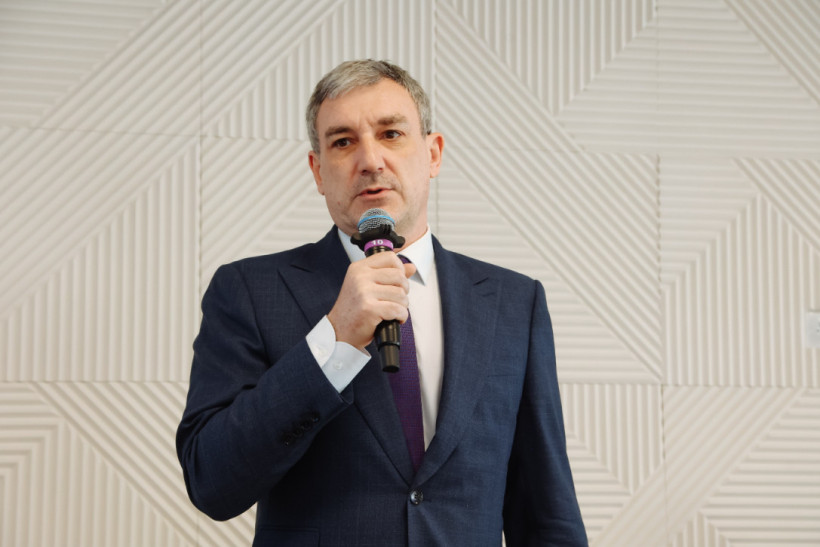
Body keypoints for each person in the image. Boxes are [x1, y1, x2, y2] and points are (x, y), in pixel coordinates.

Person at [176, 59, 587, 546]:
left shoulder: (514, 303)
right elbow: (211, 481)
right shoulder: (248, 290)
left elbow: (546, 513)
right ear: (318, 171)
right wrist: (334, 340)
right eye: (342, 142)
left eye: (391, 134)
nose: (370, 160)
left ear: (433, 154)